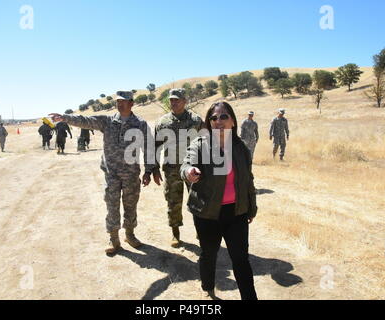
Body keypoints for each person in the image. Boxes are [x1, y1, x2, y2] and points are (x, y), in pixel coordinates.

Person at [49, 91, 159, 254]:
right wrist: (65, 117)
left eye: (123, 101)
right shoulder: (107, 121)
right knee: (112, 205)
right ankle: (114, 239)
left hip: (131, 174)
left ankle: (130, 235)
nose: (119, 104)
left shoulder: (140, 124)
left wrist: (149, 171)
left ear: (131, 103)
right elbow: (85, 121)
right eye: (118, 102)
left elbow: (149, 147)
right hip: (112, 173)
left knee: (130, 206)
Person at [180, 101, 258, 300]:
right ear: (209, 123)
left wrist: (251, 208)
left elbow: (248, 179)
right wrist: (189, 172)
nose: (219, 121)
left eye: (224, 116)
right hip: (207, 213)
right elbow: (187, 163)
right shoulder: (200, 144)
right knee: (209, 254)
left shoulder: (241, 148)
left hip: (236, 213)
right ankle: (208, 288)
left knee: (241, 259)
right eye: (213, 118)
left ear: (232, 121)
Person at [154, 88, 203, 247]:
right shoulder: (162, 123)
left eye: (177, 100)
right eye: (171, 100)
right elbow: (155, 147)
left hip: (193, 168)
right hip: (171, 169)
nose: (174, 103)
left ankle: (201, 231)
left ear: (185, 101)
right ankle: (175, 234)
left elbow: (207, 142)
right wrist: (153, 168)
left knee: (198, 200)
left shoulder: (196, 120)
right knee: (173, 202)